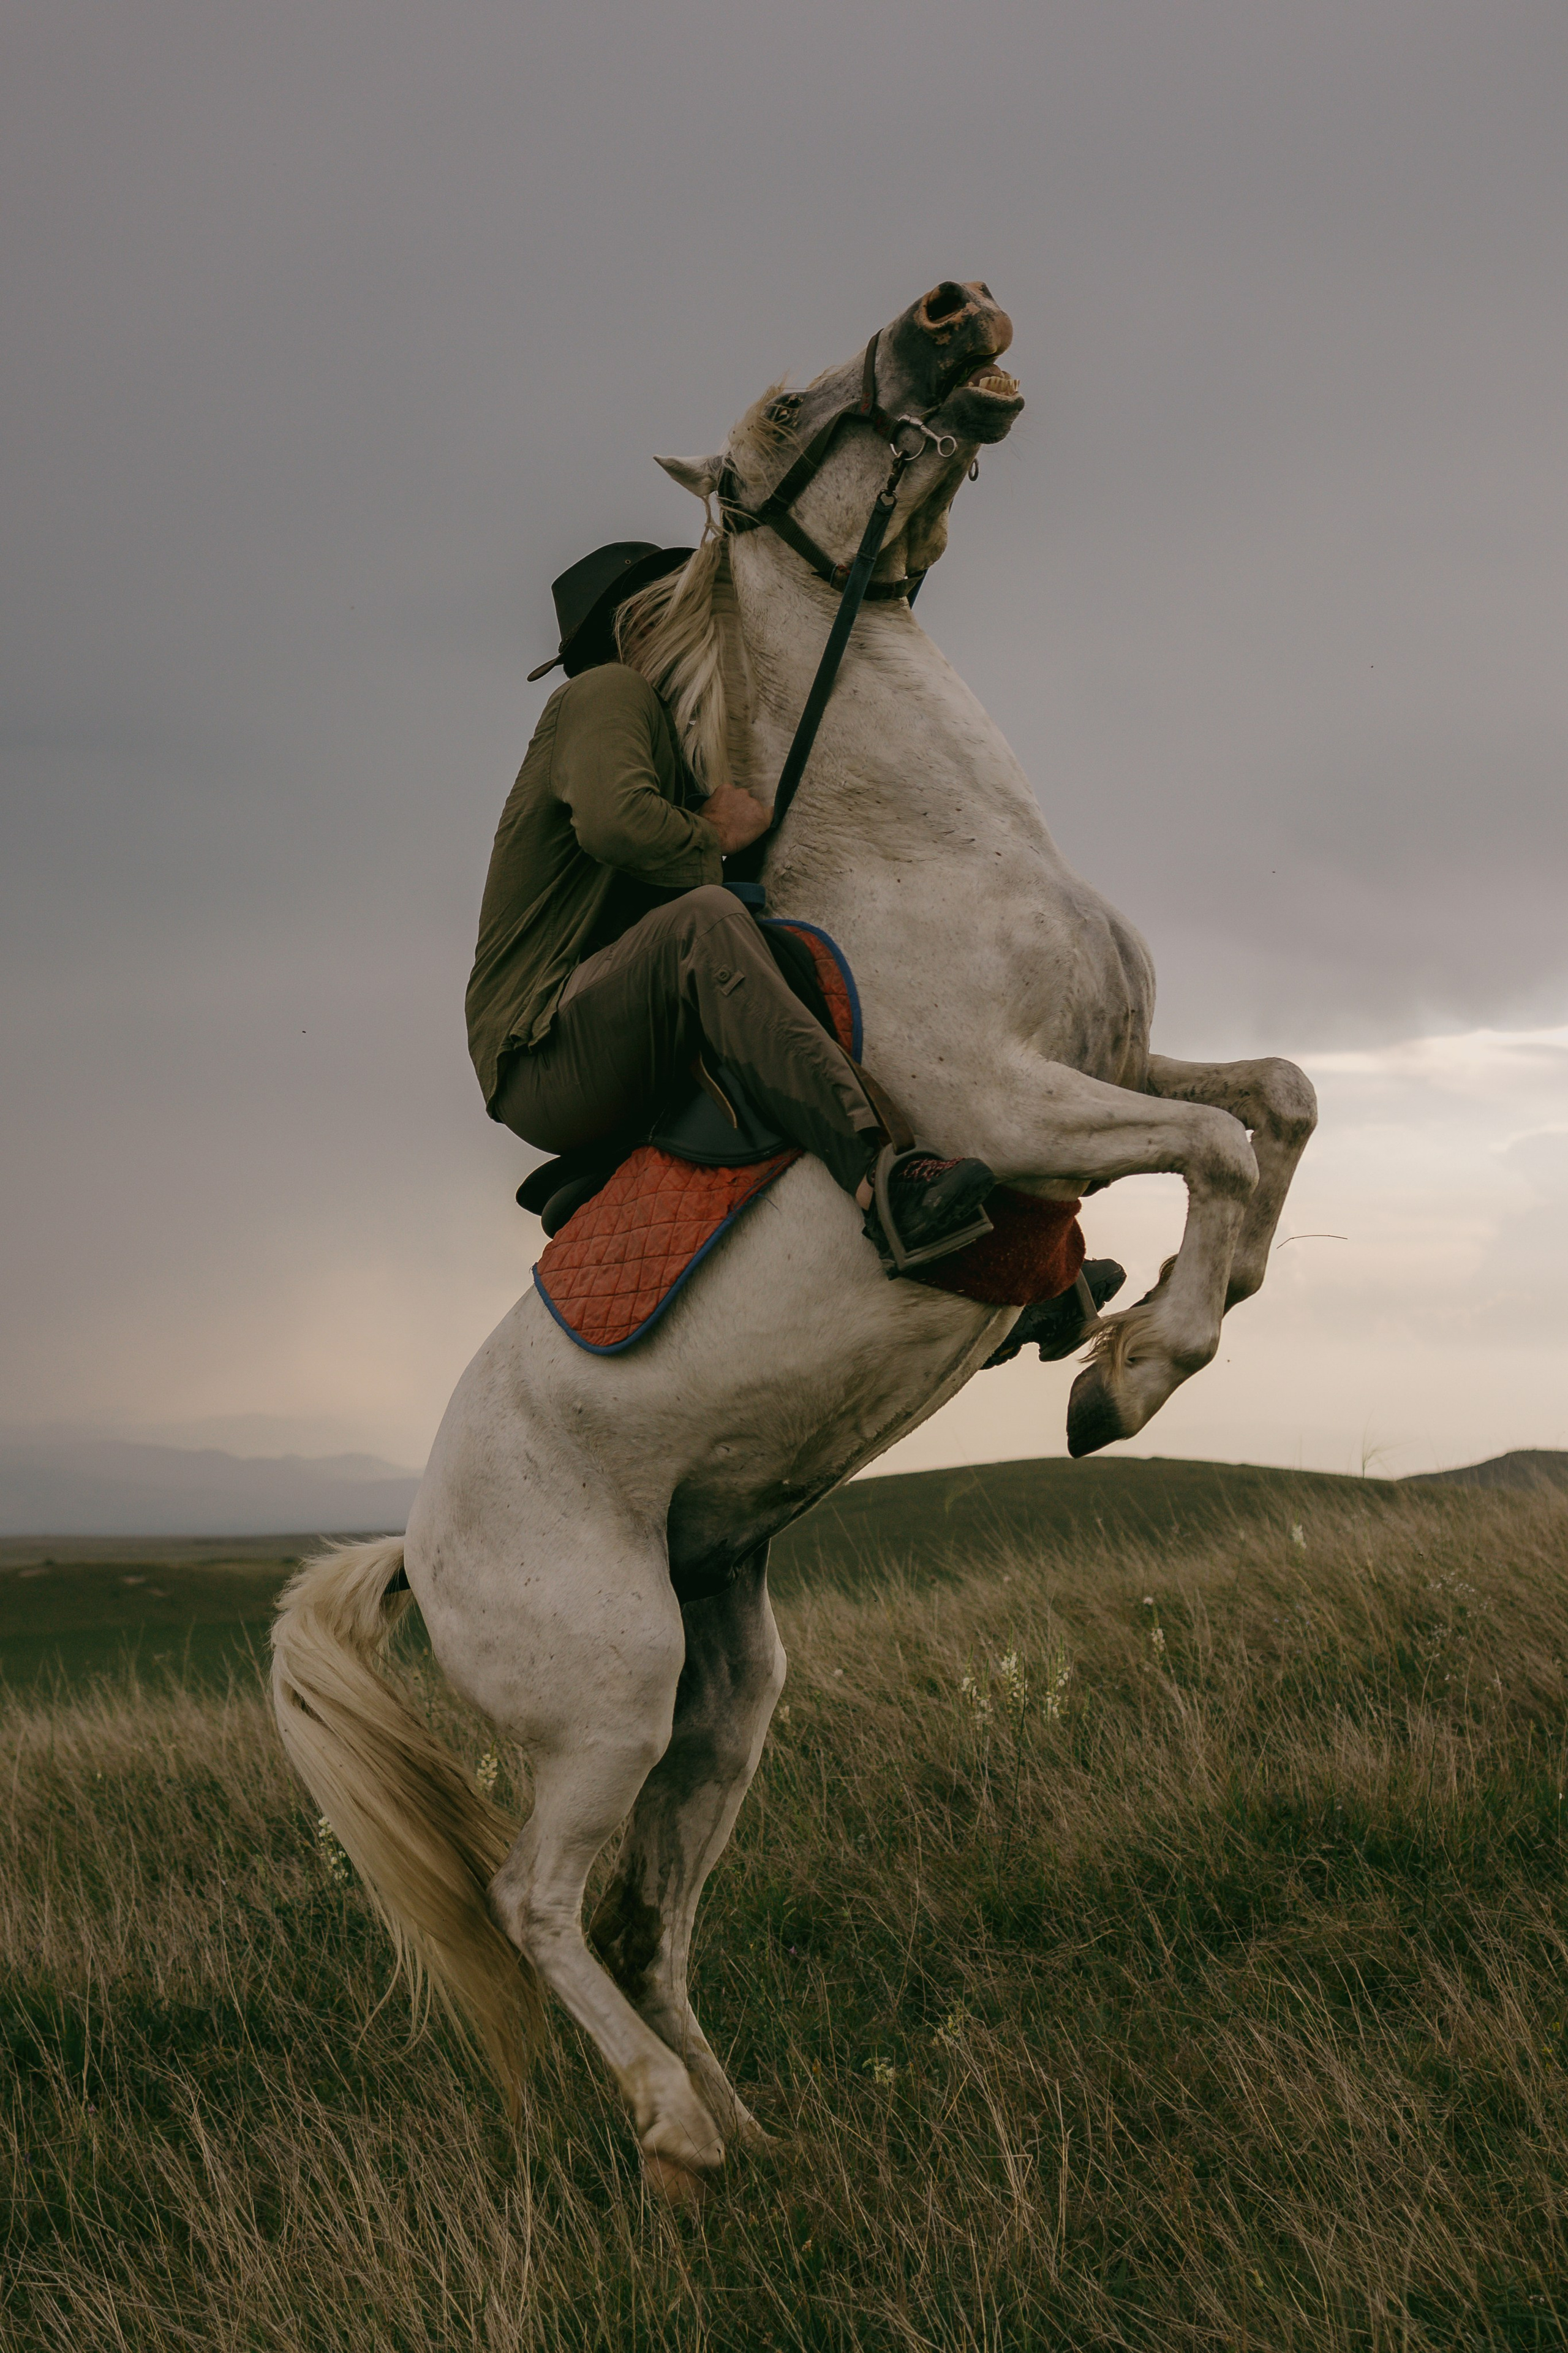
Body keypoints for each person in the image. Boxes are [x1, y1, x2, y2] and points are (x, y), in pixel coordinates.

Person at [466, 540, 996, 1271]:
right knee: (704, 927)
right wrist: (711, 831)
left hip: (604, 1029)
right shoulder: (608, 691)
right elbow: (615, 824)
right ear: (644, 622)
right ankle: (883, 1187)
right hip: (543, 1051)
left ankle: (1018, 1255)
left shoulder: (669, 738)